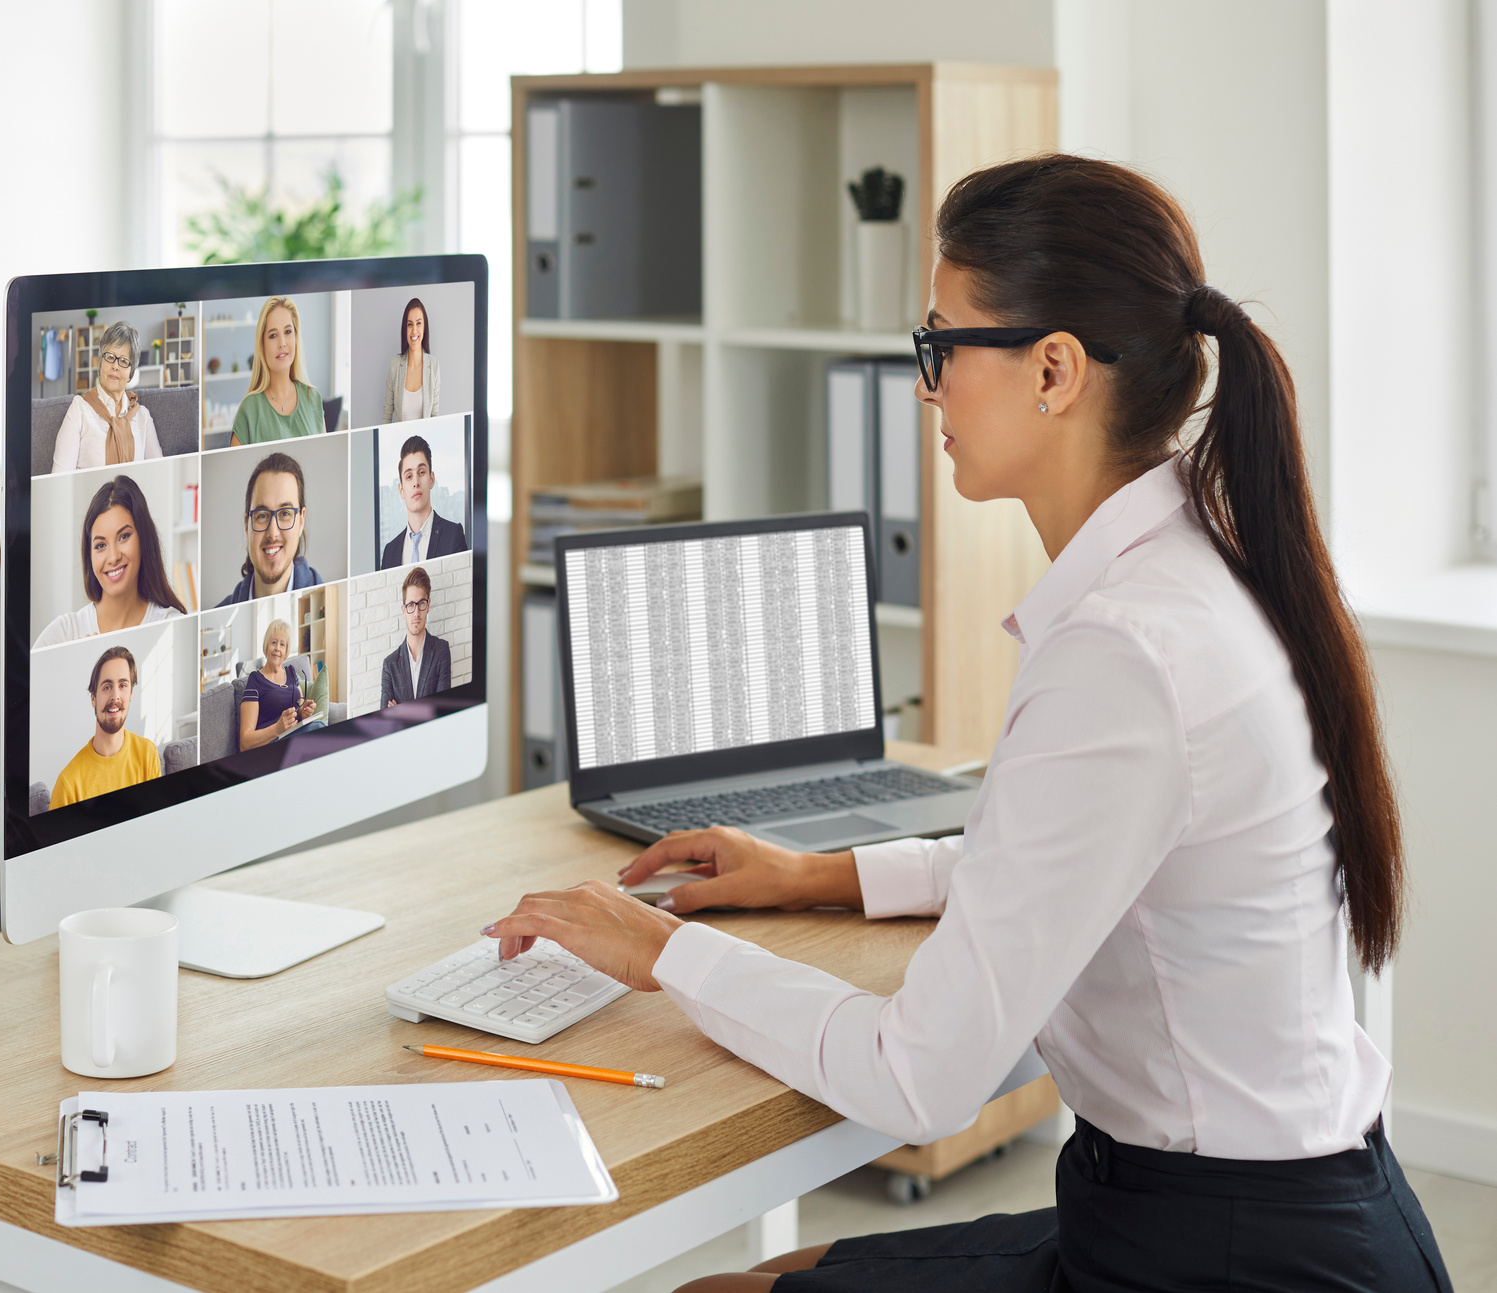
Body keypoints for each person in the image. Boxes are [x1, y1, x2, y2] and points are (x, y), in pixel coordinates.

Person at [482, 155, 1453, 1293]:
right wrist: (825, 879)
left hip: (1230, 1261)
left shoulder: (1124, 653)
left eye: (941, 346)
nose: (924, 387)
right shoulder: (1195, 562)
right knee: (776, 1274)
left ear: (1054, 370)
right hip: (1269, 1215)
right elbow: (1079, 860)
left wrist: (660, 949)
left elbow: (919, 1080)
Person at [33, 475, 187, 647]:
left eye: (124, 536)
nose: (113, 558)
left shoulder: (173, 626)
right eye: (100, 545)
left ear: (144, 538)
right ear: (89, 555)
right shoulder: (63, 633)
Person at [50, 646, 161, 809]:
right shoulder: (68, 783)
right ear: (93, 698)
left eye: (123, 685)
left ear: (131, 694)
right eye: (107, 687)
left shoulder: (148, 754)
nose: (115, 696)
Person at [51, 321, 163, 471]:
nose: (115, 366)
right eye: (110, 357)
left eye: (124, 361)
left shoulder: (143, 416)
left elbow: (159, 472)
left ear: (130, 373)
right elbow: (59, 479)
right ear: (100, 363)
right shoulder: (79, 410)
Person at [219, 452, 323, 605]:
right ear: (247, 526)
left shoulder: (334, 609)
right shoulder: (220, 614)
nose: (273, 533)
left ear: (301, 521)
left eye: (285, 513)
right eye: (262, 515)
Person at [229, 296, 325, 445]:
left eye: (288, 332)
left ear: (296, 337)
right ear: (262, 345)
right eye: (273, 335)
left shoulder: (313, 399)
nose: (282, 343)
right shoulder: (248, 411)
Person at [379, 434, 467, 568]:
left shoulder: (453, 535)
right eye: (409, 476)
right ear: (401, 489)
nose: (416, 482)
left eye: (421, 472)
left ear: (431, 480)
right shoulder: (390, 552)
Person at [238, 619, 325, 750]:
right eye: (274, 642)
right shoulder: (255, 680)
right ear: (266, 646)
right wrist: (277, 729)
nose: (277, 648)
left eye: (282, 644)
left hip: (294, 735)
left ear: (286, 651)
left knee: (320, 728)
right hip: (271, 745)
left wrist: (304, 712)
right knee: (319, 728)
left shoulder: (291, 673)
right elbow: (244, 743)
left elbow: (299, 709)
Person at [380, 566, 451, 707]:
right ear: (404, 610)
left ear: (428, 605)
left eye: (421, 604)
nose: (416, 613)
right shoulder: (390, 664)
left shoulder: (442, 651)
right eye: (411, 605)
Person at [381, 297, 441, 423]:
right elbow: (386, 416)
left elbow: (435, 416)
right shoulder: (395, 365)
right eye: (410, 324)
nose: (414, 330)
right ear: (405, 329)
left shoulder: (434, 365)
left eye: (418, 323)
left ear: (424, 328)